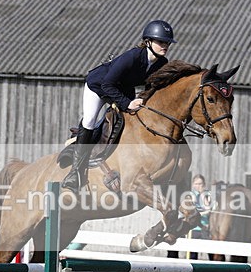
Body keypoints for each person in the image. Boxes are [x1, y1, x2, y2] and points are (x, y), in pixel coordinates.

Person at [62, 19, 176, 194]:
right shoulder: (131, 57)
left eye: (167, 43)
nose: (165, 45)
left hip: (123, 88)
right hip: (98, 85)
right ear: (148, 42)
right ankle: (74, 172)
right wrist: (127, 103)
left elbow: (152, 87)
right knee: (90, 120)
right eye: (161, 42)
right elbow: (108, 84)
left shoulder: (161, 63)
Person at [169, 174, 212, 272]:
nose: (198, 186)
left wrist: (203, 195)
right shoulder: (189, 195)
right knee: (190, 253)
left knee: (209, 254)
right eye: (196, 184)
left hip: (203, 228)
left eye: (200, 184)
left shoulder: (207, 195)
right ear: (193, 184)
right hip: (191, 228)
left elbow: (208, 208)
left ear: (204, 185)